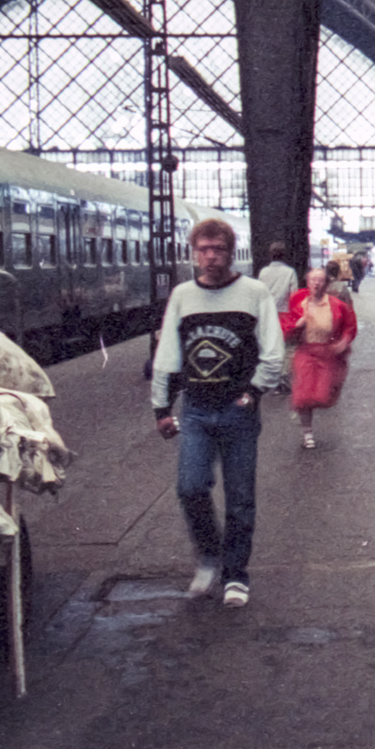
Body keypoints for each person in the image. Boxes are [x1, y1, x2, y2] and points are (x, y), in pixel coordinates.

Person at [151, 217, 281, 609]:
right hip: (195, 411)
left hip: (238, 410)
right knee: (190, 487)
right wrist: (161, 406)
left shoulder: (254, 292)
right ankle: (210, 554)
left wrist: (255, 390)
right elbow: (168, 355)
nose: (210, 257)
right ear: (194, 253)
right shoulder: (182, 296)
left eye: (218, 249)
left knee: (240, 498)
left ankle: (235, 574)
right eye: (203, 249)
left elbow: (272, 350)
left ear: (230, 251)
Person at [282, 263, 357, 449]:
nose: (316, 284)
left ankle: (309, 417)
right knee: (303, 396)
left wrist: (344, 341)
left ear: (326, 284)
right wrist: (296, 326)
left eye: (320, 280)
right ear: (307, 282)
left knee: (322, 395)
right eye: (313, 280)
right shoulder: (297, 302)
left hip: (327, 353)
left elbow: (350, 325)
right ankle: (307, 433)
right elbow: (284, 327)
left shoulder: (337, 305)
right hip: (305, 352)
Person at [257, 242, 299, 394]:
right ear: (284, 254)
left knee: (270, 348)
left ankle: (270, 381)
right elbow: (294, 295)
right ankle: (282, 379)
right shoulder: (290, 272)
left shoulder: (263, 272)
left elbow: (260, 294)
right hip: (284, 314)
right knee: (287, 348)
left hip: (268, 315)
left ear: (271, 254)